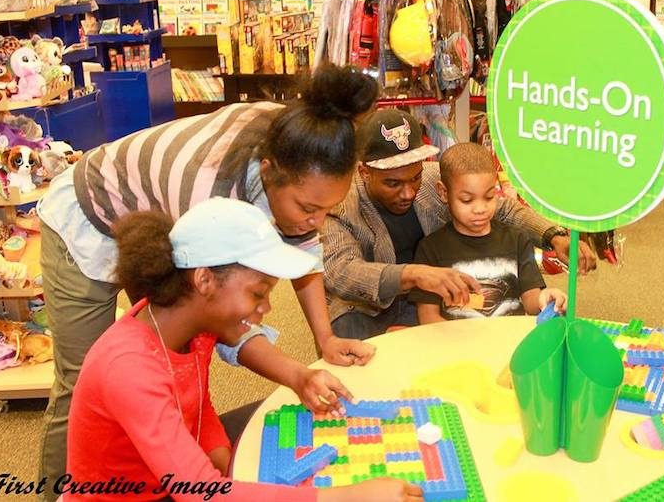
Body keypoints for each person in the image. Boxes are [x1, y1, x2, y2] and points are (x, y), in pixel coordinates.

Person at [38, 64, 379, 492]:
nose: (318, 223)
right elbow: (218, 314)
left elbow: (275, 269)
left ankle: (163, 454)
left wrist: (322, 342)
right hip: (89, 214)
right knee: (84, 381)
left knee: (169, 361)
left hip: (161, 230)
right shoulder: (205, 193)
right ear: (271, 171)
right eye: (310, 208)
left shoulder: (305, 142)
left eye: (329, 209)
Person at [65, 198, 423, 502]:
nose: (266, 308)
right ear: (204, 279)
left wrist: (216, 444)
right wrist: (346, 496)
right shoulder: (127, 368)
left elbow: (193, 399)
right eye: (258, 293)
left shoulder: (190, 323)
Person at [322, 109, 595, 340]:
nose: (408, 192)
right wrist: (414, 274)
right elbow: (341, 272)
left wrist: (554, 236)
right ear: (364, 172)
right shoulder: (339, 203)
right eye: (393, 183)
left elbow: (503, 209)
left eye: (414, 178)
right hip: (367, 309)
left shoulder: (434, 178)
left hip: (432, 298)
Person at [408, 143, 568, 323]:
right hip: (456, 346)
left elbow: (531, 300)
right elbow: (428, 317)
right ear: (444, 192)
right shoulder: (430, 249)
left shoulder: (517, 240)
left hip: (508, 343)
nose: (480, 209)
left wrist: (545, 299)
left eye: (490, 197)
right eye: (467, 200)